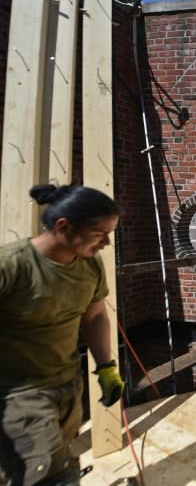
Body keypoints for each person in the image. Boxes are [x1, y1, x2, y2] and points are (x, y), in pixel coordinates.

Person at [0, 184, 125, 485]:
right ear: (64, 226)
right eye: (99, 234)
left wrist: (107, 368)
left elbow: (95, 316)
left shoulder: (90, 266)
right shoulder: (12, 266)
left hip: (68, 385)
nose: (107, 243)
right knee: (47, 475)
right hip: (19, 394)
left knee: (61, 460)